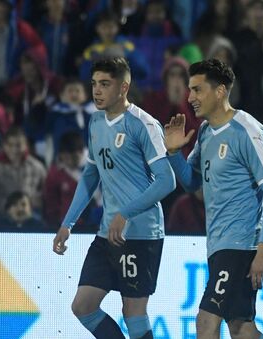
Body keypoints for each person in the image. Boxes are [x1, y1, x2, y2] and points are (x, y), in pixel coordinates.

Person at [52, 57, 176, 339]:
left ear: (123, 87)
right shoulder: (96, 122)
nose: (96, 91)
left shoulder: (143, 124)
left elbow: (167, 180)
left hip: (141, 232)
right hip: (107, 232)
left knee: (133, 314)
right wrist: (67, 223)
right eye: (94, 84)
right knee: (83, 306)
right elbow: (90, 176)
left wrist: (126, 213)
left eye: (105, 84)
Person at [163, 58, 263, 339]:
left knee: (206, 323)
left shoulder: (247, 131)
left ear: (220, 91)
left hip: (240, 245)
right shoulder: (205, 133)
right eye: (190, 90)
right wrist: (173, 153)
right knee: (241, 329)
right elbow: (192, 182)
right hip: (219, 244)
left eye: (197, 89)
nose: (190, 97)